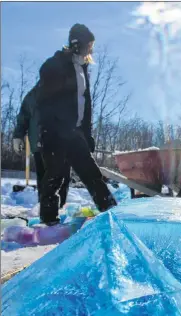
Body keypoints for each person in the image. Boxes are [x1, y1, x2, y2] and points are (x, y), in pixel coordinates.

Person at [36, 23, 116, 225]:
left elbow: (85, 105)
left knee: (91, 173)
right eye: (89, 44)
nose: (91, 49)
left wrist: (87, 133)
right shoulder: (54, 65)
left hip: (74, 132)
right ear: (76, 44)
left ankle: (112, 211)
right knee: (54, 176)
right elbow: (44, 100)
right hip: (54, 132)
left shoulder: (82, 68)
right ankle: (49, 221)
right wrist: (49, 128)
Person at [13, 83, 71, 207]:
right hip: (40, 144)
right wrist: (18, 136)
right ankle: (46, 211)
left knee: (63, 178)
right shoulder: (33, 95)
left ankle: (59, 209)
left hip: (64, 144)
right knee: (45, 179)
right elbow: (24, 116)